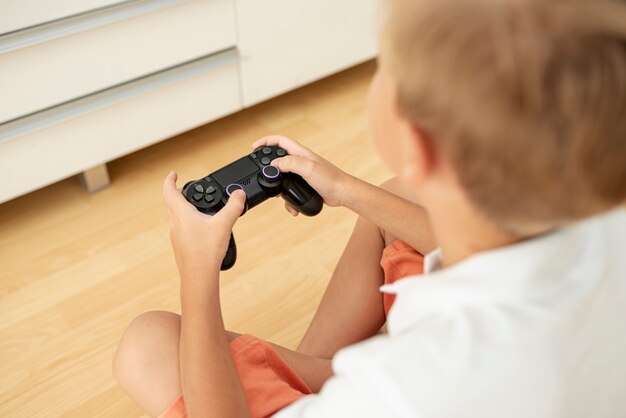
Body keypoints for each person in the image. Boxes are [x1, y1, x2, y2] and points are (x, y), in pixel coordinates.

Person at [113, 0, 626, 417]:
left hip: (401, 388)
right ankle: (315, 366)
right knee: (397, 196)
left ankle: (312, 375)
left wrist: (197, 273)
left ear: (419, 143)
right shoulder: (606, 223)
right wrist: (343, 188)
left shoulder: (407, 388)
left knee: (146, 343)